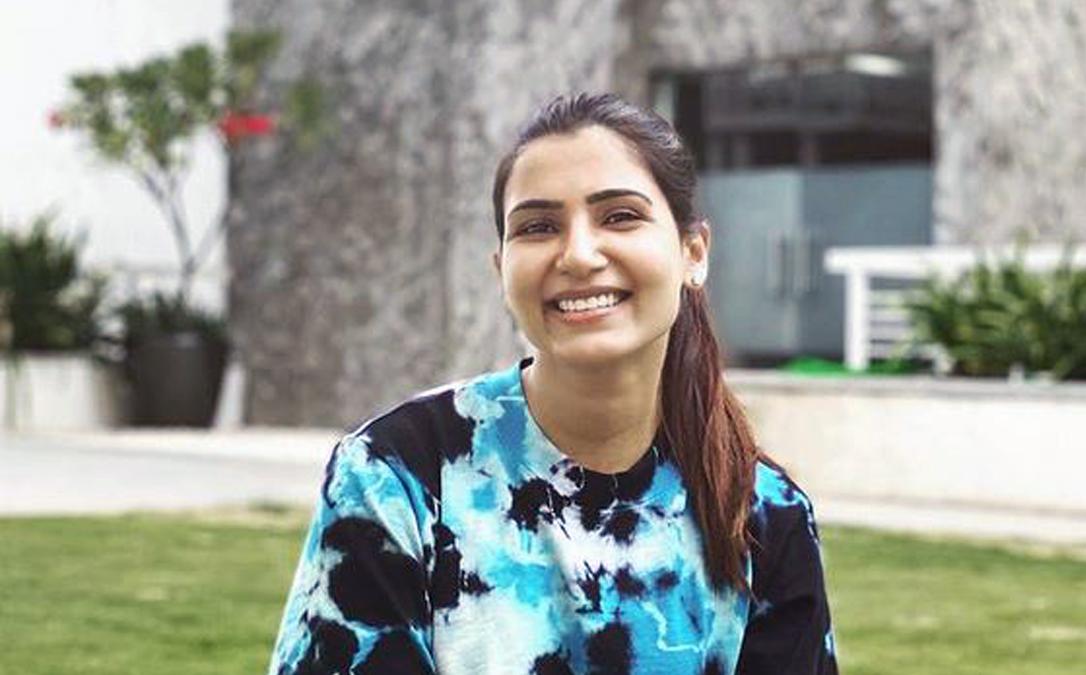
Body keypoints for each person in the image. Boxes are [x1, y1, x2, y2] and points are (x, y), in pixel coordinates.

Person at [267, 92, 837, 675]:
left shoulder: (765, 513)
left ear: (693, 252)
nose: (579, 255)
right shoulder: (397, 476)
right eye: (538, 227)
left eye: (619, 216)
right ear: (501, 270)